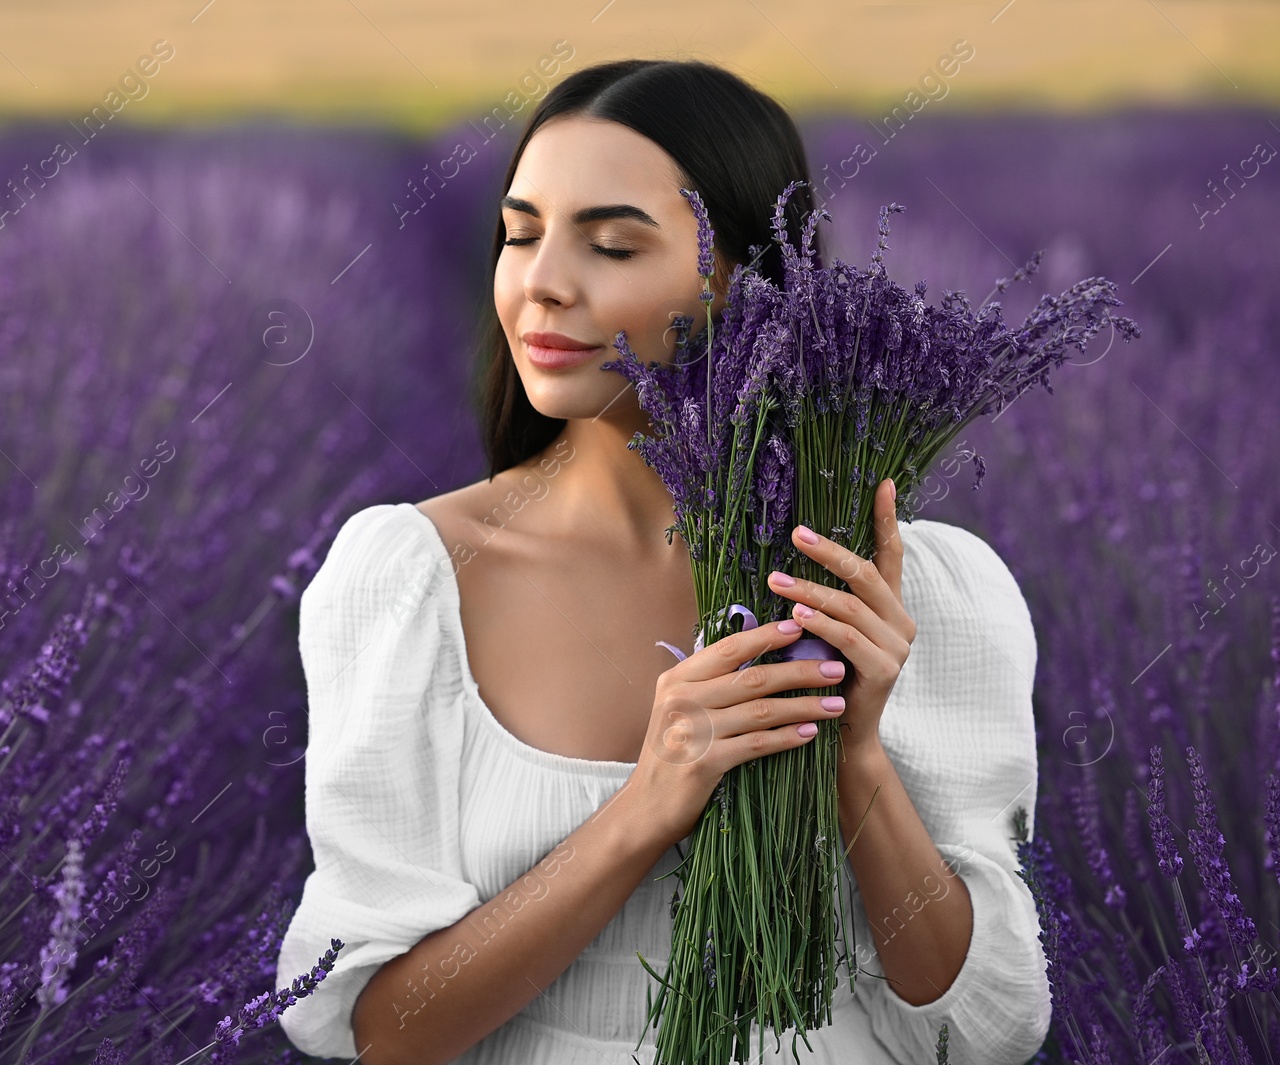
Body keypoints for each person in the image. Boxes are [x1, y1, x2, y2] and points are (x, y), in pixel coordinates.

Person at [275, 58, 1052, 1065]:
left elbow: (983, 1027)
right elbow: (383, 1033)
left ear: (749, 279)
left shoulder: (910, 591)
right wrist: (644, 807)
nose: (542, 282)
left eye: (609, 244)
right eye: (519, 235)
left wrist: (856, 759)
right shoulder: (414, 579)